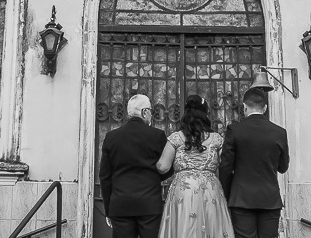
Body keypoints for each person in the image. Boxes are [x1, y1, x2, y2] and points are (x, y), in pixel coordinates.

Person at [155, 95, 234, 238]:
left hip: (183, 190)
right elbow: (226, 164)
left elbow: (162, 166)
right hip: (210, 190)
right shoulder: (216, 139)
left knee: (184, 228)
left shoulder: (177, 138)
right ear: (206, 115)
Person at [218, 88, 289, 238]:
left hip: (241, 198)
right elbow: (283, 167)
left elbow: (225, 166)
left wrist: (227, 193)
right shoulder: (279, 132)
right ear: (265, 108)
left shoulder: (235, 130)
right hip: (270, 199)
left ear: (244, 107)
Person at [99, 95, 171, 238]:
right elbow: (167, 167)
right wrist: (154, 177)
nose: (151, 114)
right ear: (144, 112)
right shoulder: (157, 136)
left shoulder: (111, 137)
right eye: (150, 110)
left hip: (120, 205)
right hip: (149, 204)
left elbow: (105, 176)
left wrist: (108, 209)